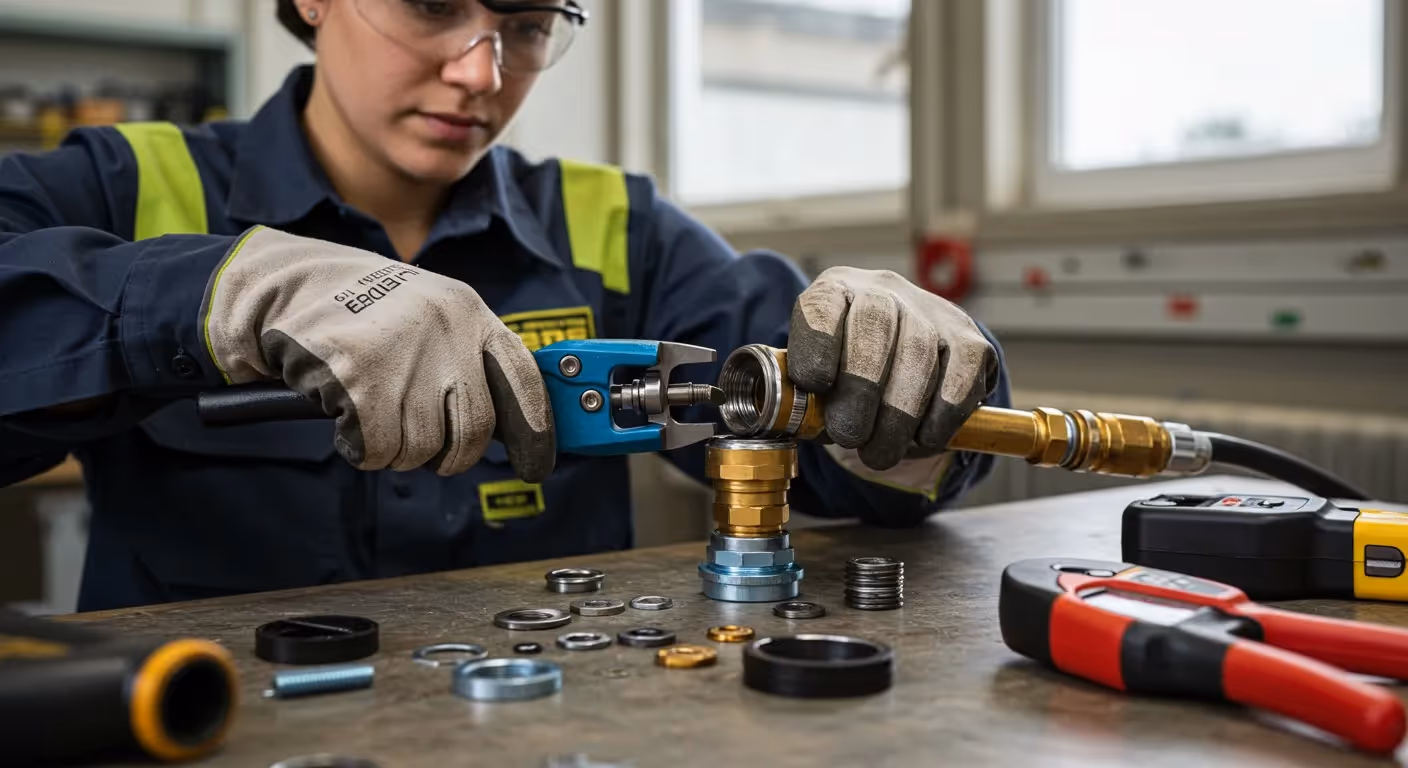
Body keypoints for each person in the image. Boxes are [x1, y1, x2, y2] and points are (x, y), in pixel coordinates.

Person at [0, 0, 1012, 612]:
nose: (480, 74)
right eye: (434, 5)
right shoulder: (130, 186)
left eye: (526, 27)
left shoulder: (616, 228)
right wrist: (208, 295)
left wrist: (905, 396)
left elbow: (850, 468)